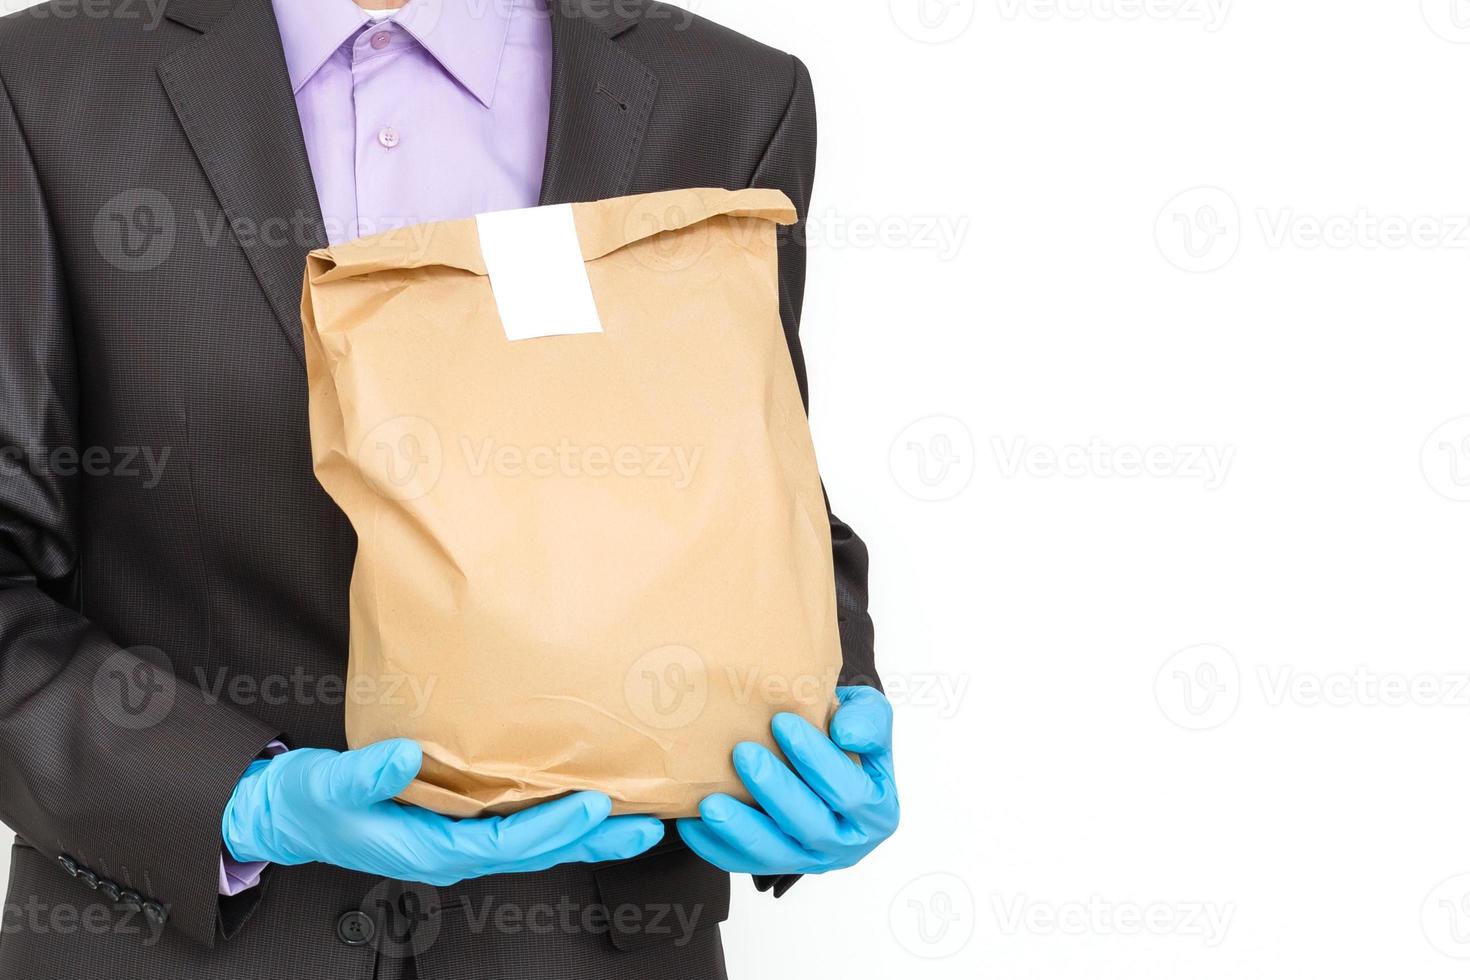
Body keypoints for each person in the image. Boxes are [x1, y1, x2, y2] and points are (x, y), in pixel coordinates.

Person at [0, 0, 899, 976]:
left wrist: (828, 704)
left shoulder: (728, 96)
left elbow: (754, 496)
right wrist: (237, 797)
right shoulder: (45, 83)